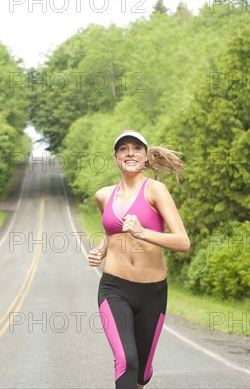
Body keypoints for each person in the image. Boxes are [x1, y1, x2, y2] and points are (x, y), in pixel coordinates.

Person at [87, 130, 191, 389]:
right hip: (114, 288)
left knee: (142, 373)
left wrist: (143, 233)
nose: (129, 153)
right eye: (123, 149)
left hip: (152, 292)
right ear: (115, 158)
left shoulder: (156, 191)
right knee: (126, 360)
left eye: (136, 148)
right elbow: (111, 232)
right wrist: (101, 249)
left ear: (145, 157)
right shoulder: (103, 195)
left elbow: (183, 242)